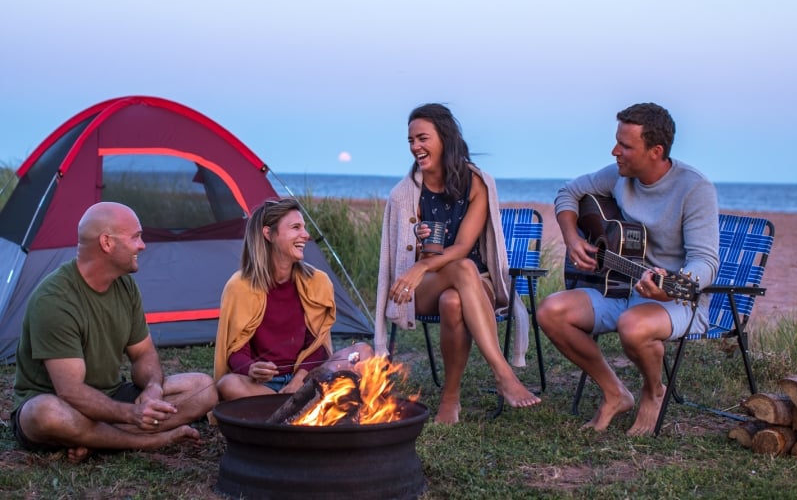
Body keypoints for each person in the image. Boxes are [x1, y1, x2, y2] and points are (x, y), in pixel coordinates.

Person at [537, 102, 720, 436]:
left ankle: (654, 391)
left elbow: (705, 262)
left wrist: (673, 284)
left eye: (625, 146)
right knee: (551, 311)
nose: (615, 151)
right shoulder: (620, 176)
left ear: (656, 151)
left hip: (674, 299)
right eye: (616, 141)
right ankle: (615, 392)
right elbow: (568, 192)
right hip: (620, 286)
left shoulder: (694, 188)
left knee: (632, 326)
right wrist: (571, 240)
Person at [12, 202, 218, 463]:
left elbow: (143, 353)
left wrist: (153, 387)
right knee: (45, 413)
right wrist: (132, 415)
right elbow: (70, 391)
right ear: (107, 243)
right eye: (136, 237)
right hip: (62, 404)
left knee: (203, 388)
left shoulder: (125, 286)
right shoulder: (55, 299)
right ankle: (147, 440)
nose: (142, 246)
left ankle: (92, 439)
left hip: (111, 397)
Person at [373, 102, 540, 424]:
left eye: (422, 138)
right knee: (459, 273)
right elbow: (411, 258)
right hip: (422, 288)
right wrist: (421, 251)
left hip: (476, 282)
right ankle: (502, 373)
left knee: (454, 299)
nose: (415, 147)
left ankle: (450, 398)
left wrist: (421, 266)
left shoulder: (476, 182)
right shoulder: (405, 195)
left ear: (445, 139)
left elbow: (464, 246)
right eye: (411, 141)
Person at [214, 198, 372, 400]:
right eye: (296, 227)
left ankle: (283, 407)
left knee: (363, 352)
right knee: (228, 384)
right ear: (268, 234)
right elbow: (236, 350)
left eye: (304, 228)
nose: (305, 235)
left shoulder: (317, 282)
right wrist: (251, 369)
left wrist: (298, 380)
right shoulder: (240, 286)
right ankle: (295, 407)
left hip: (306, 379)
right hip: (261, 385)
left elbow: (318, 346)